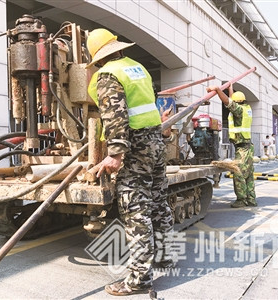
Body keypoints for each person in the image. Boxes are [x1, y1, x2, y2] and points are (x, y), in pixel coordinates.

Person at [86, 28, 174, 296]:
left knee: (136, 213)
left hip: (135, 148)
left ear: (98, 57)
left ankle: (139, 281)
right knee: (158, 202)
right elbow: (148, 106)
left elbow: (115, 116)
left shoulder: (107, 76)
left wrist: (115, 153)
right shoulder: (137, 68)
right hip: (155, 145)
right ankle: (165, 256)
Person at [206, 84, 256, 208]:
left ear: (237, 102)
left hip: (243, 148)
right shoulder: (246, 108)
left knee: (238, 173)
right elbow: (232, 101)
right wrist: (230, 88)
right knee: (248, 174)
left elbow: (228, 102)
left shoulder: (238, 110)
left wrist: (218, 90)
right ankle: (251, 199)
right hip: (247, 147)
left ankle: (242, 200)